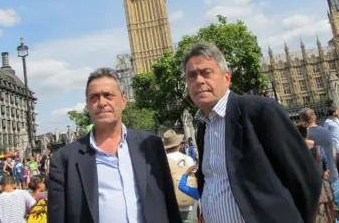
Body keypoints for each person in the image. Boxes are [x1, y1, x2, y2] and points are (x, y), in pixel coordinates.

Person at [184, 42, 321, 223]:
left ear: (227, 78)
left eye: (206, 73)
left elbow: (305, 178)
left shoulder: (261, 111)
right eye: (192, 76)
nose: (199, 81)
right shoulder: (203, 125)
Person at [48, 67, 181, 223]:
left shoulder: (150, 146)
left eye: (108, 95)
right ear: (88, 105)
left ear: (124, 101)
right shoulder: (64, 161)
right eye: (94, 97)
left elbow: (170, 206)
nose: (101, 102)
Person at [299, 108, 339, 222]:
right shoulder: (326, 131)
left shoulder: (303, 137)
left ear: (302, 120)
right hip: (333, 175)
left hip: (318, 182)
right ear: (315, 117)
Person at [163, 129, 196, 222]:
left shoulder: (161, 160)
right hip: (185, 203)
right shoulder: (188, 159)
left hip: (168, 205)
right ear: (178, 145)